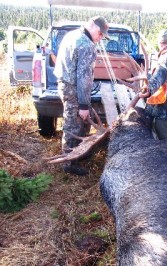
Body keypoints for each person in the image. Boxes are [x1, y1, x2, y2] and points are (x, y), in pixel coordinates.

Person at [54, 16, 109, 176]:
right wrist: (83, 105)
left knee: (84, 121)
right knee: (73, 123)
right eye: (100, 35)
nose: (100, 39)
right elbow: (83, 78)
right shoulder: (86, 45)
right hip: (73, 88)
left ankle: (79, 153)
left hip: (65, 84)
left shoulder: (72, 35)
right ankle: (68, 162)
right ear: (95, 29)